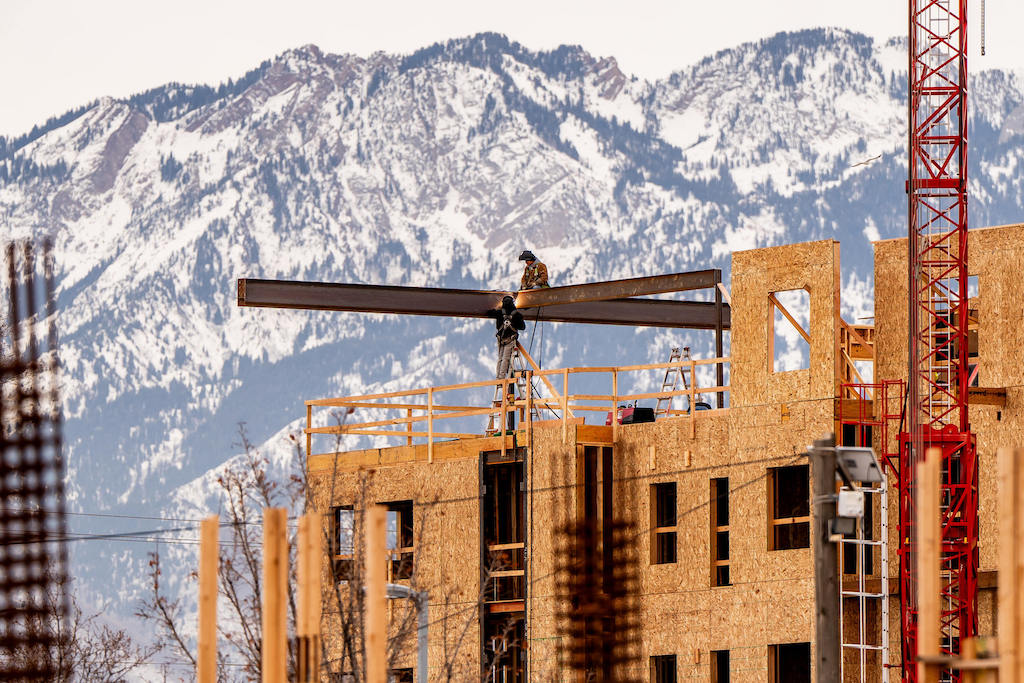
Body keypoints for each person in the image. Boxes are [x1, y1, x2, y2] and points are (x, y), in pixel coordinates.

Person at [488, 295, 526, 383]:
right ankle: (501, 378)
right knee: (505, 359)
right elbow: (522, 327)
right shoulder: (517, 315)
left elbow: (489, 313)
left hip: (501, 339)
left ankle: (499, 378)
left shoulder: (499, 313)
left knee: (500, 359)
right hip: (510, 340)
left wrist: (496, 309)